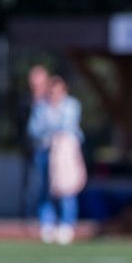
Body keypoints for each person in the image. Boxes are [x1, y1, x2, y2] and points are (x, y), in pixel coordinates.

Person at [28, 75, 85, 244]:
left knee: (66, 189)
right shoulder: (41, 106)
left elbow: (67, 126)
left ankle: (66, 224)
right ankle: (47, 224)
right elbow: (33, 129)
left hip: (64, 153)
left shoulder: (71, 105)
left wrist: (52, 132)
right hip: (45, 151)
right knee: (44, 188)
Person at [19, 64, 51, 229]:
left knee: (48, 187)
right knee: (30, 186)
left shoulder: (51, 99)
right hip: (30, 149)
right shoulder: (26, 99)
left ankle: (46, 219)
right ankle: (28, 218)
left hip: (50, 151)